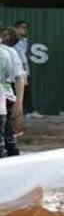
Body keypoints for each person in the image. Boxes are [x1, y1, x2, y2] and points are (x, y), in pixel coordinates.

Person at [0, 28, 25, 157]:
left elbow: (19, 77)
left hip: (5, 98)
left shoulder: (9, 52)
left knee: (7, 140)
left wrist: (19, 103)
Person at [12, 20, 36, 117]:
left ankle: (30, 111)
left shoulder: (24, 41)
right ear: (16, 29)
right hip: (14, 68)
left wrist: (25, 66)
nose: (25, 30)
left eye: (26, 28)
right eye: (23, 27)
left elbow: (24, 54)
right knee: (14, 90)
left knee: (26, 89)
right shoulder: (12, 40)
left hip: (24, 68)